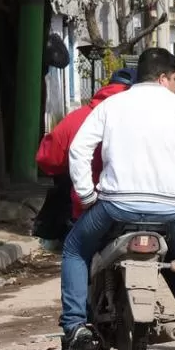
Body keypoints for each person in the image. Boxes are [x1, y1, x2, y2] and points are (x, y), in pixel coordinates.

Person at [62, 48, 175, 350]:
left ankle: (74, 327)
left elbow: (79, 149)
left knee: (74, 249)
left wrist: (86, 194)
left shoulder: (111, 105)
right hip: (170, 210)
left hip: (115, 206)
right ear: (163, 78)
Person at [35, 68, 138, 237]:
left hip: (87, 208)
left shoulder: (77, 118)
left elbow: (48, 160)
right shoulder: (152, 120)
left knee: (73, 253)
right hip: (144, 208)